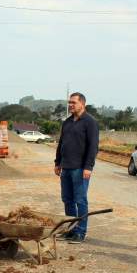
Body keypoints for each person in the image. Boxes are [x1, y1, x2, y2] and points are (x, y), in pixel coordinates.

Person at [54, 92, 99, 244]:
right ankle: (71, 230)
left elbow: (93, 146)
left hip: (80, 169)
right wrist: (57, 162)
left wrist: (88, 167)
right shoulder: (67, 122)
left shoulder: (90, 122)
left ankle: (81, 232)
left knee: (80, 201)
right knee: (67, 200)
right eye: (69, 102)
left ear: (82, 104)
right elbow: (61, 144)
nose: (70, 105)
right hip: (65, 168)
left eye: (73, 102)